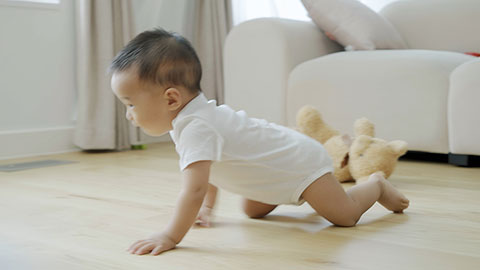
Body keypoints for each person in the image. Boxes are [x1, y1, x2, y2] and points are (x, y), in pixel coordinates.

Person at [109, 28, 410, 256]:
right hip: (277, 167)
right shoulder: (191, 120)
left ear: (171, 98)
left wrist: (171, 236)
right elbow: (208, 169)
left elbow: (194, 188)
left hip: (299, 163)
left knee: (345, 216)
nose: (129, 115)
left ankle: (375, 184)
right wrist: (207, 209)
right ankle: (301, 194)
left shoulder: (196, 127)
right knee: (252, 210)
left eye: (130, 104)